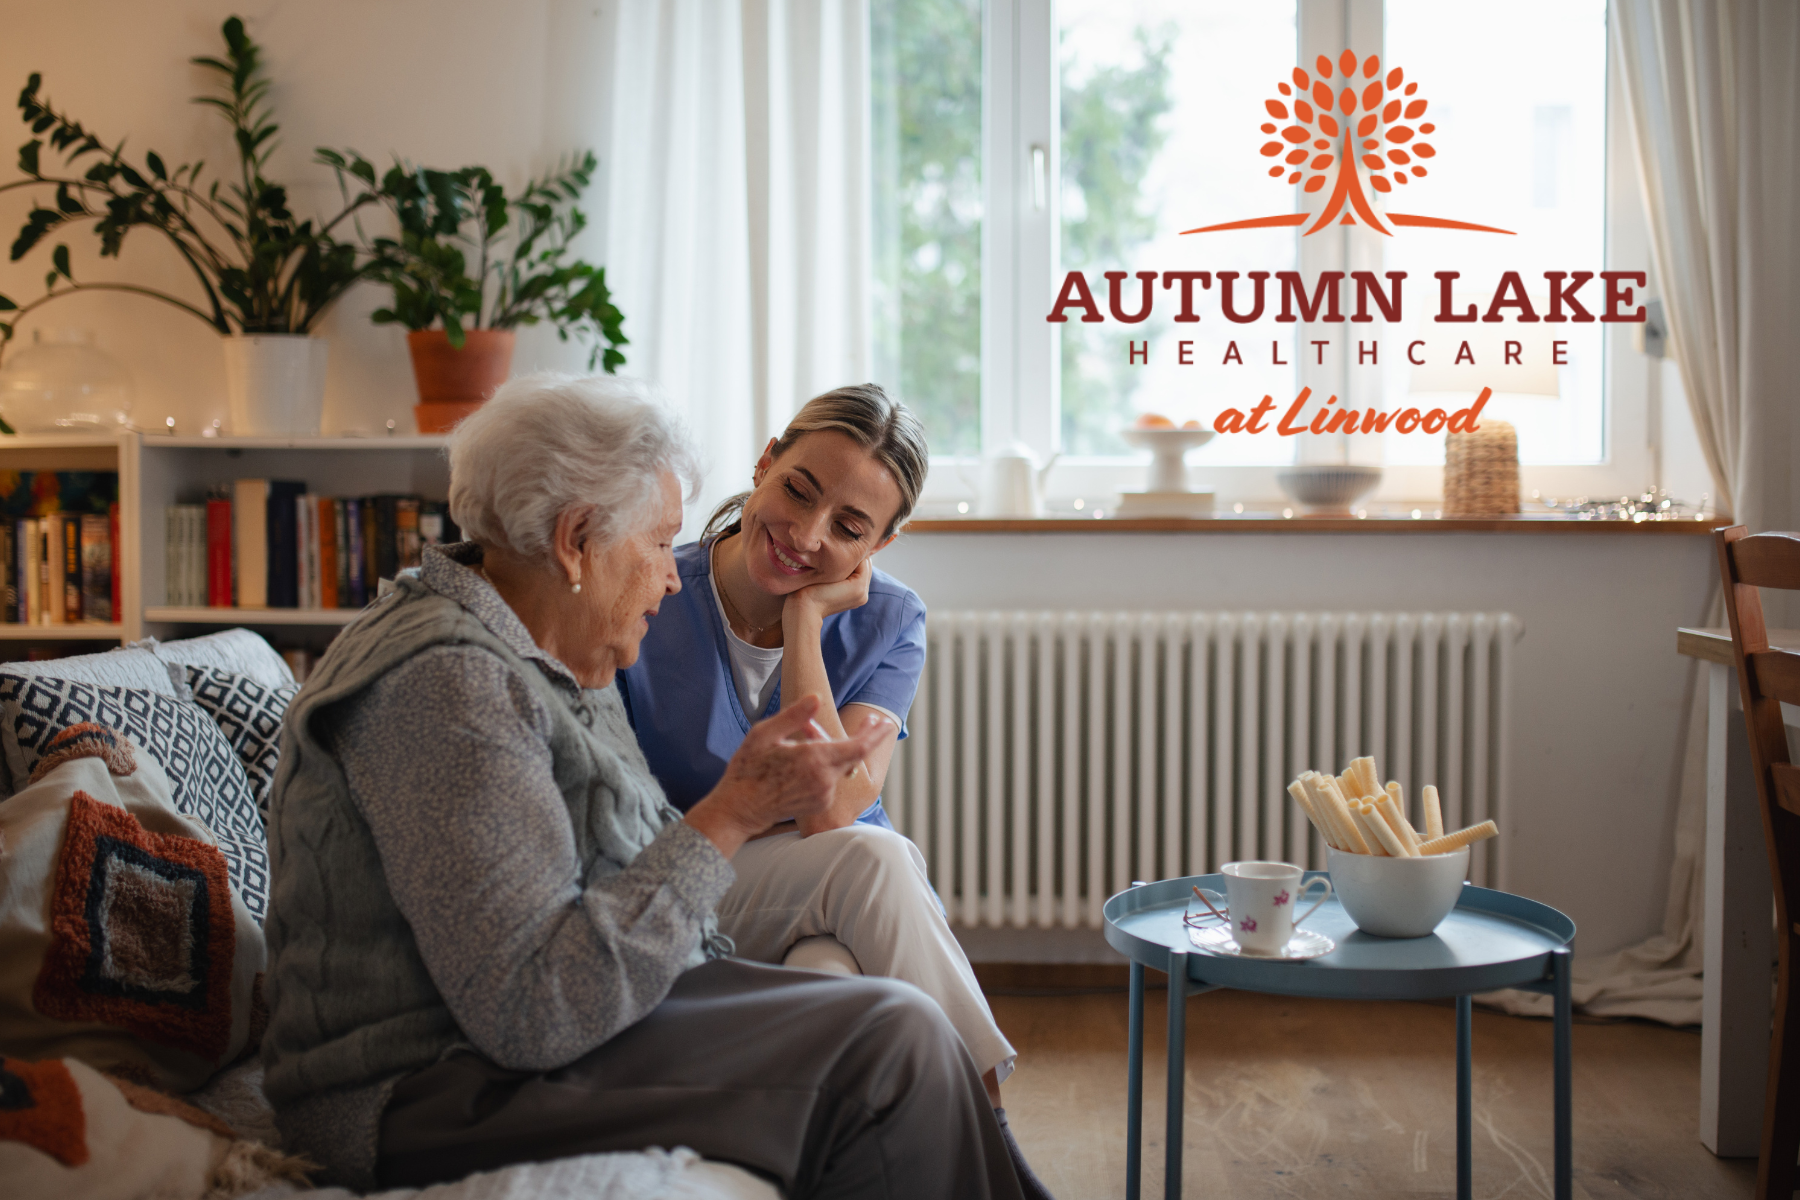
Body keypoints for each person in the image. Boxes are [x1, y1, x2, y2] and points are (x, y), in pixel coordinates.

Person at [260, 373, 1025, 1200]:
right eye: (660, 543)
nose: (673, 577)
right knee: (889, 1036)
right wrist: (733, 811)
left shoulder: (544, 649)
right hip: (426, 1088)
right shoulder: (451, 687)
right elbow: (532, 1011)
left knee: (876, 1011)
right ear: (575, 540)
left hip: (524, 1030)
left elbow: (609, 875)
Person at [617, 385, 1051, 1200]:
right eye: (797, 491)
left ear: (883, 541)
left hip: (827, 900)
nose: (805, 536)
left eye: (848, 529)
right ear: (765, 464)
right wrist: (812, 608)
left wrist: (807, 621)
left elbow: (828, 808)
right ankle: (1001, 1155)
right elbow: (829, 814)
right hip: (697, 889)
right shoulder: (654, 589)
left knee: (836, 983)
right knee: (873, 858)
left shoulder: (891, 619)